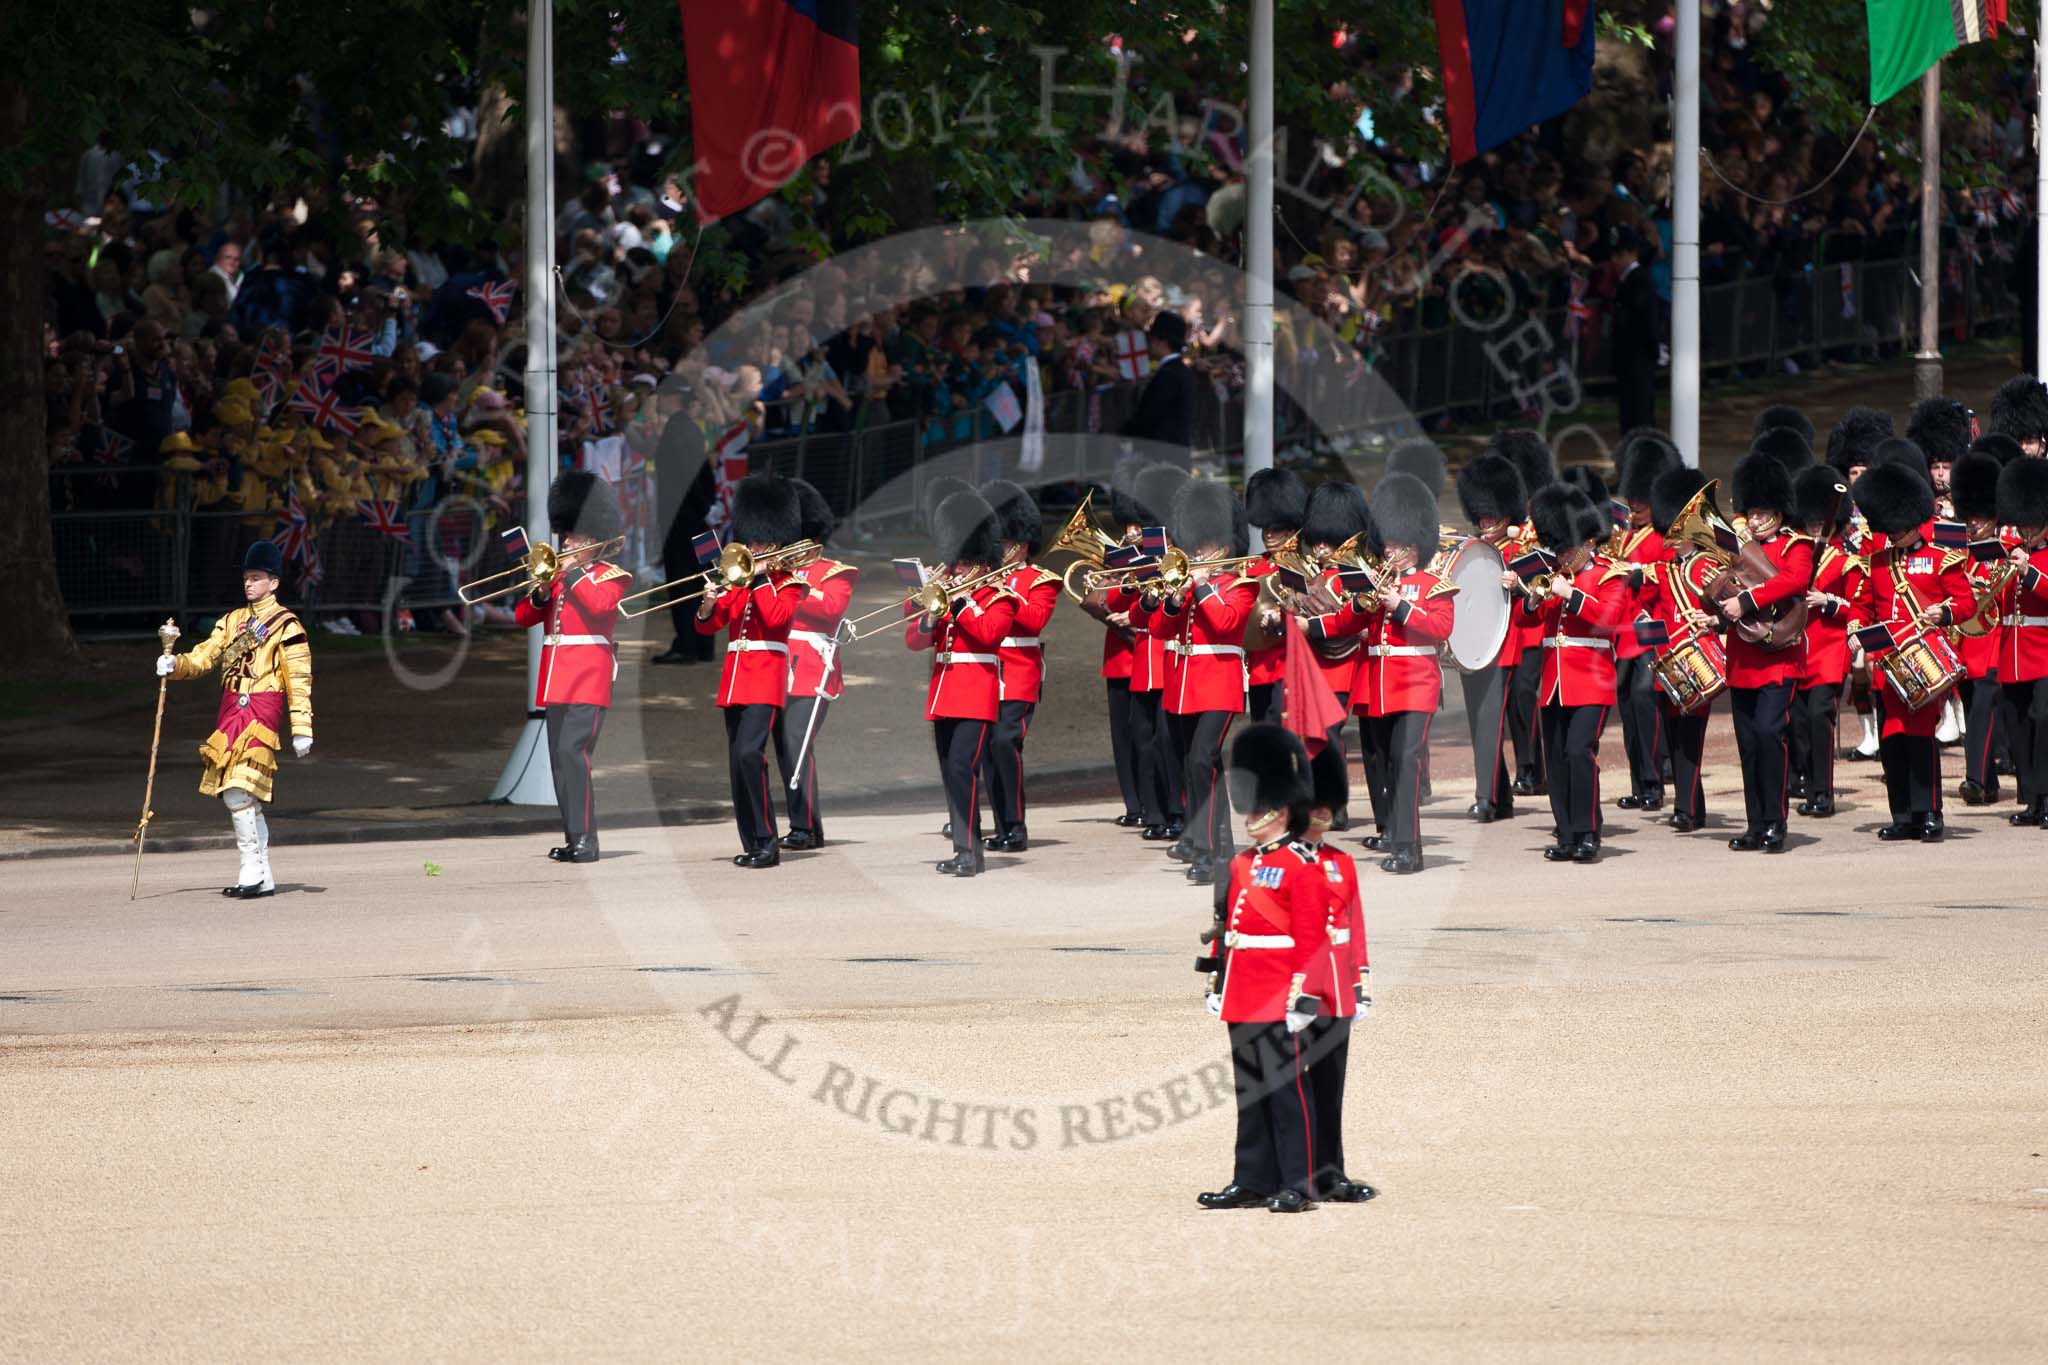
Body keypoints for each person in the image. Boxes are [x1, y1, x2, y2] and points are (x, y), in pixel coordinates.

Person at [1195, 724, 1326, 1215]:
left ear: (1282, 809)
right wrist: (1219, 982)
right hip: (1244, 989)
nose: (1250, 815)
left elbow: (1312, 938)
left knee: (1288, 1092)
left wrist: (1305, 996)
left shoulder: (1302, 865)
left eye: (1259, 806)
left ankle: (1300, 1181)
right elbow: (1229, 928)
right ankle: (1251, 1177)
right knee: (1250, 1089)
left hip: (1279, 990)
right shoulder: (1240, 866)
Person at [154, 540, 314, 897]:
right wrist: (176, 665)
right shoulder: (231, 621)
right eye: (247, 578)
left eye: (256, 578)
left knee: (238, 789)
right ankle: (262, 873)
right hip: (231, 710)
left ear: (273, 583)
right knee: (243, 795)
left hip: (262, 709)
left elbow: (299, 680)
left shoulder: (287, 625)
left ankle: (251, 869)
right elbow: (205, 657)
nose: (249, 584)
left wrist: (302, 727)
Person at [1319, 474, 1456, 874]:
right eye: (1387, 544)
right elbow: (1345, 623)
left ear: (1415, 548)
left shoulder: (1434, 585)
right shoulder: (1376, 586)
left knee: (1406, 760)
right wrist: (1341, 613)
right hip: (1378, 686)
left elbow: (1440, 628)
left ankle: (1410, 848)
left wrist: (1399, 605)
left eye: (1396, 545)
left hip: (1415, 685)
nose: (1388, 551)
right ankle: (1397, 839)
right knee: (1391, 766)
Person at [1849, 458, 1977, 842]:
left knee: (1920, 738)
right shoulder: (1878, 562)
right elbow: (1862, 606)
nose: (1895, 536)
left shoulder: (1941, 557)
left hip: (1925, 660)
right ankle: (1902, 814)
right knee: (1892, 739)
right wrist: (1856, 628)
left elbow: (1966, 603)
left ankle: (1929, 812)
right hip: (1889, 664)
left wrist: (1943, 613)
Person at [512, 472, 631, 863]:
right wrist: (543, 589)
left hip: (589, 679)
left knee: (572, 753)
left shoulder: (611, 576)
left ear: (594, 540)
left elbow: (599, 607)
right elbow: (523, 617)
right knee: (560, 760)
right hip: (558, 679)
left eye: (574, 538)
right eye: (566, 536)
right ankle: (573, 835)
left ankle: (587, 840)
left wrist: (572, 572)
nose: (566, 543)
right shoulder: (561, 579)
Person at [1141, 479, 1256, 885]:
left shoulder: (1241, 584)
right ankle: (1218, 840)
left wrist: (1203, 584)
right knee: (1197, 766)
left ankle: (1209, 854)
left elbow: (1225, 622)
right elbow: (1157, 629)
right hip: (1185, 684)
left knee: (1200, 759)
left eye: (1201, 546)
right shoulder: (1188, 585)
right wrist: (1170, 600)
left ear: (1222, 547)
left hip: (1220, 683)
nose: (1193, 553)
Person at [696, 474, 806, 869]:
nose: (754, 547)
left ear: (776, 543)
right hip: (735, 677)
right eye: (752, 540)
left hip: (765, 675)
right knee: (736, 762)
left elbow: (776, 620)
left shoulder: (788, 583)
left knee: (749, 755)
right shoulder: (741, 581)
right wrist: (709, 603)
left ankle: (767, 840)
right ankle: (752, 840)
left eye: (761, 542)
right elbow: (710, 625)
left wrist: (758, 578)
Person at [908, 490, 1020, 877]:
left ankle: (971, 852)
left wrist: (961, 603)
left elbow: (989, 634)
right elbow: (914, 641)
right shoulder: (947, 595)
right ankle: (962, 849)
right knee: (950, 772)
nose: (954, 571)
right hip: (944, 693)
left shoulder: (999, 598)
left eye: (961, 563)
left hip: (975, 694)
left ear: (978, 564)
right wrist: (929, 616)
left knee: (962, 769)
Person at [1716, 452, 1813, 853]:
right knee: (1748, 743)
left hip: (1778, 657)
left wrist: (1748, 600)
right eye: (1749, 513)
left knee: (1770, 734)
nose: (1753, 520)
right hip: (1743, 658)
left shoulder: (1797, 544)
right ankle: (1756, 823)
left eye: (1761, 513)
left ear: (1777, 511)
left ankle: (1776, 820)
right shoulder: (1739, 548)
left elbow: (1795, 580)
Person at [1522, 484, 1622, 863]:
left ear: (1590, 542)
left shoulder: (1610, 575)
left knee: (1580, 752)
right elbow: (1528, 623)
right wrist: (1531, 600)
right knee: (1558, 760)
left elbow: (1609, 619)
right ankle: (1566, 833)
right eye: (1560, 548)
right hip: (1554, 682)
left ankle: (1588, 831)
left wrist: (1571, 595)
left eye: (1570, 548)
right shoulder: (1554, 575)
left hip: (1592, 679)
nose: (1564, 555)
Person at [1299, 755, 1375, 1204]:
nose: (1324, 811)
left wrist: (1359, 982)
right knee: (1295, 1090)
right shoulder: (1283, 863)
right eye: (1315, 803)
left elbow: (1354, 926)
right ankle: (1294, 1172)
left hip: (1336, 991)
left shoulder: (1341, 863)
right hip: (1296, 993)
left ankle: (1331, 1173)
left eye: (1329, 803)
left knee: (1330, 1089)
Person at [774, 479, 858, 851]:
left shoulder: (834, 571)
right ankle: (806, 825)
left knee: (797, 743)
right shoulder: (775, 570)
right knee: (783, 746)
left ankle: (804, 826)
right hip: (776, 665)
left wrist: (791, 584)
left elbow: (830, 609)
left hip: (811, 669)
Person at [978, 480, 1060, 853]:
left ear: (1022, 545)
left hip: (1018, 673)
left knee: (1005, 742)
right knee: (988, 749)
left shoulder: (1039, 581)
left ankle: (1016, 826)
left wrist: (1002, 592)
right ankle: (1000, 825)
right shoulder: (981, 575)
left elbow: (1034, 620)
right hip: (984, 673)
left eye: (1005, 543)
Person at [1294, 479, 1375, 825]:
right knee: (1317, 734)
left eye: (1330, 538)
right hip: (1314, 662)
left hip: (1344, 661)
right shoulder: (1309, 573)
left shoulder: (1356, 572)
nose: (1322, 545)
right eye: (1319, 538)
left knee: (1330, 732)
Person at [1609, 432, 1683, 811]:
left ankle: (1655, 782)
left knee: (1644, 700)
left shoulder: (1667, 535)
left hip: (1652, 629)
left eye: (1641, 503)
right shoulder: (1625, 536)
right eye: (1633, 501)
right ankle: (1640, 782)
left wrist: (1641, 573)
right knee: (1628, 708)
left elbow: (1672, 572)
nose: (1635, 507)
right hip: (1624, 633)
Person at [1453, 452, 1527, 822]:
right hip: (1472, 645)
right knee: (1478, 721)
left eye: (1491, 514)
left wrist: (1520, 584)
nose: (1484, 520)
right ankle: (1501, 797)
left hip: (1503, 646)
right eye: (1480, 513)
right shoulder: (1471, 548)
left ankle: (1487, 797)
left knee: (1489, 721)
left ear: (1508, 515)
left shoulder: (1521, 551)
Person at [1644, 465, 1718, 833]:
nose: (1672, 539)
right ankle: (1691, 804)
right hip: (1668, 660)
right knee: (1674, 739)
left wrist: (1713, 624)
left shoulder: (1707, 565)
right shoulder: (1663, 569)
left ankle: (1687, 808)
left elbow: (1724, 606)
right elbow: (1648, 607)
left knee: (1690, 737)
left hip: (1698, 658)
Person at [1790, 466, 1861, 819]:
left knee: (1820, 718)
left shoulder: (1846, 561)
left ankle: (1824, 793)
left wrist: (1828, 603)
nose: (1817, 527)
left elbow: (1860, 607)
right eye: (1812, 522)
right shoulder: (1799, 556)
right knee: (1799, 722)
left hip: (1830, 651)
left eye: (1822, 522)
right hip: (1799, 650)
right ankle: (1805, 780)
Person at [1496, 430, 1557, 797]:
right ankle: (1525, 766)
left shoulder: (1544, 522)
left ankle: (1534, 766)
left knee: (1523, 692)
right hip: (1509, 626)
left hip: (1535, 622)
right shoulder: (1507, 526)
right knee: (1510, 700)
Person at [1948, 452, 2009, 806]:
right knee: (1973, 711)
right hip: (1964, 643)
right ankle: (1988, 781)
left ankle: (1974, 779)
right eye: (1969, 517)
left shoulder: (2003, 549)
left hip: (1991, 642)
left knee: (1983, 710)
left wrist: (1979, 588)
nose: (1973, 524)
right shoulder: (1961, 551)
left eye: (1979, 517)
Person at [1995, 458, 2048, 826]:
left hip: (2044, 652)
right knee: (2018, 726)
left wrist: (2029, 572)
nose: (2027, 529)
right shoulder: (2010, 553)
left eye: (2033, 522)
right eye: (2024, 522)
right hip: (2012, 653)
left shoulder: (2036, 558)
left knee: (2044, 722)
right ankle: (2031, 800)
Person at [1241, 468, 1308, 726]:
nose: (1268, 533)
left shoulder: (1298, 566)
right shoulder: (1255, 567)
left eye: (1276, 528)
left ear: (1291, 529)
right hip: (1258, 667)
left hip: (1287, 666)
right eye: (1265, 527)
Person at [1119, 311, 1194, 466]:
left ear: (1162, 342)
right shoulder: (1181, 371)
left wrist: (1124, 432)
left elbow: (1149, 416)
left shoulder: (1168, 375)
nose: (1149, 343)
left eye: (1152, 339)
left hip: (1162, 457)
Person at [1608, 225, 1659, 437]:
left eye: (1619, 255)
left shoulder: (1638, 280)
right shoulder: (1629, 281)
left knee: (1639, 413)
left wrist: (1653, 348)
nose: (1614, 260)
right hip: (1630, 358)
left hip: (1638, 357)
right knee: (1630, 412)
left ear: (1631, 253)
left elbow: (1645, 319)